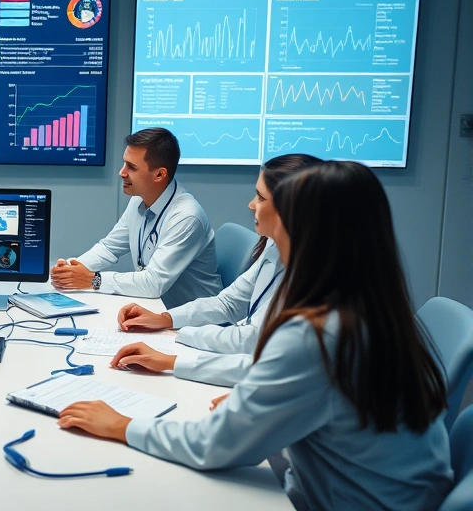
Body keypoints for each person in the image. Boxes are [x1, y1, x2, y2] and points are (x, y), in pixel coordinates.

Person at [57, 161, 452, 511]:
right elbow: (303, 378)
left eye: (262, 198)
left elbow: (213, 445)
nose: (251, 206)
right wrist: (263, 397)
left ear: (301, 224)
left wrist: (121, 425)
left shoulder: (318, 334)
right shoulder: (367, 307)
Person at [112, 154, 322, 387]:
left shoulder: (315, 277)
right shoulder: (274, 245)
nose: (251, 205)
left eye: (261, 198)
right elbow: (229, 303)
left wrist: (175, 346)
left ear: (290, 210)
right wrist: (165, 320)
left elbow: (253, 341)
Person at [51, 128, 221, 308]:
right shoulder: (139, 200)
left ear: (159, 174)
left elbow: (153, 283)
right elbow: (109, 248)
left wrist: (93, 280)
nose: (122, 173)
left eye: (132, 167)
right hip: (156, 309)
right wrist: (71, 269)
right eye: (124, 163)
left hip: (195, 319)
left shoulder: (187, 218)